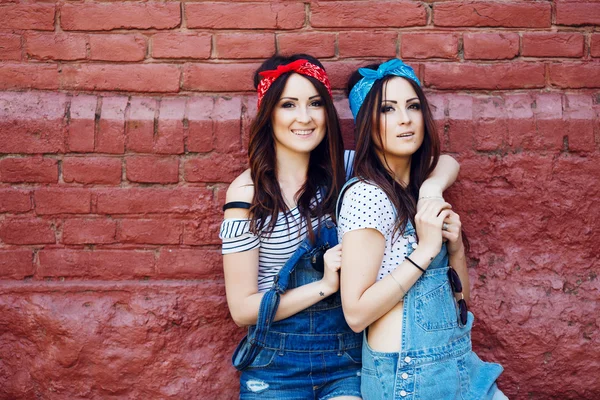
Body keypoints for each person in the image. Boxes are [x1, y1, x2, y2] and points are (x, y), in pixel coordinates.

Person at [219, 54, 459, 399]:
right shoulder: (247, 194)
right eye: (289, 105)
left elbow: (445, 161)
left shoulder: (346, 170)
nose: (304, 118)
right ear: (268, 113)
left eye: (315, 104)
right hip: (276, 365)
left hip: (345, 358)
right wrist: (325, 285)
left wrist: (432, 190)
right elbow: (241, 310)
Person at [337, 59, 506, 400]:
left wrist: (453, 246)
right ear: (366, 123)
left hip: (460, 361)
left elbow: (458, 304)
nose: (405, 119)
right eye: (388, 109)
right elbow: (355, 314)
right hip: (410, 377)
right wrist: (425, 251)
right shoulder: (367, 196)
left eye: (413, 106)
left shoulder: (417, 188)